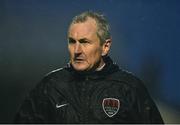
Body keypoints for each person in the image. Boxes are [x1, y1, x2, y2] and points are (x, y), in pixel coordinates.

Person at [14, 11, 164, 123]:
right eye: (72, 42)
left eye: (85, 42)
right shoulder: (50, 86)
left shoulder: (129, 88)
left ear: (105, 47)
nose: (77, 50)